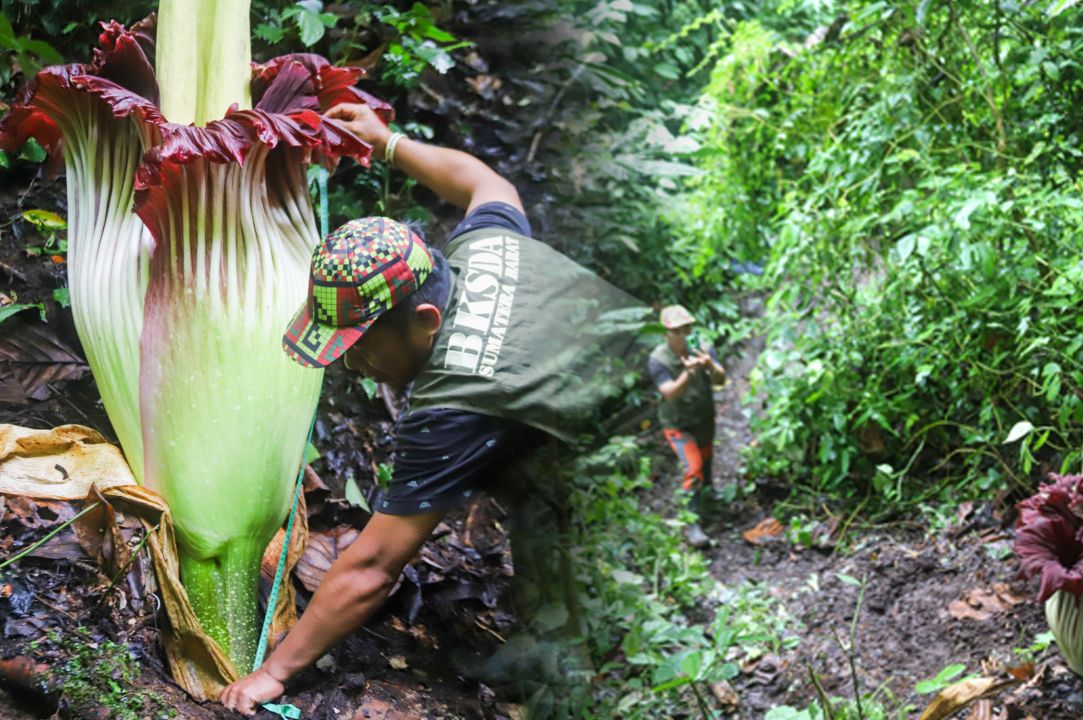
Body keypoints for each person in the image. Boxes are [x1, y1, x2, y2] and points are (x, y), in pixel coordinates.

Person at [220, 102, 645, 715]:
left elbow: (372, 566)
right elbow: (486, 184)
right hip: (633, 359)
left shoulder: (453, 406)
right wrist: (387, 141)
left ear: (425, 322)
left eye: (360, 348)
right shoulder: (482, 247)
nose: (351, 365)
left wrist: (275, 672)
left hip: (644, 441)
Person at [648, 305, 726, 529]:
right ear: (666, 334)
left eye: (687, 329)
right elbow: (670, 394)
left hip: (703, 416)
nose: (684, 336)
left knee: (706, 459)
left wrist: (710, 365)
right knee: (693, 468)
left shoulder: (703, 347)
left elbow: (720, 380)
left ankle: (709, 498)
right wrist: (688, 373)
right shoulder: (659, 359)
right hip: (678, 423)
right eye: (677, 331)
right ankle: (692, 524)